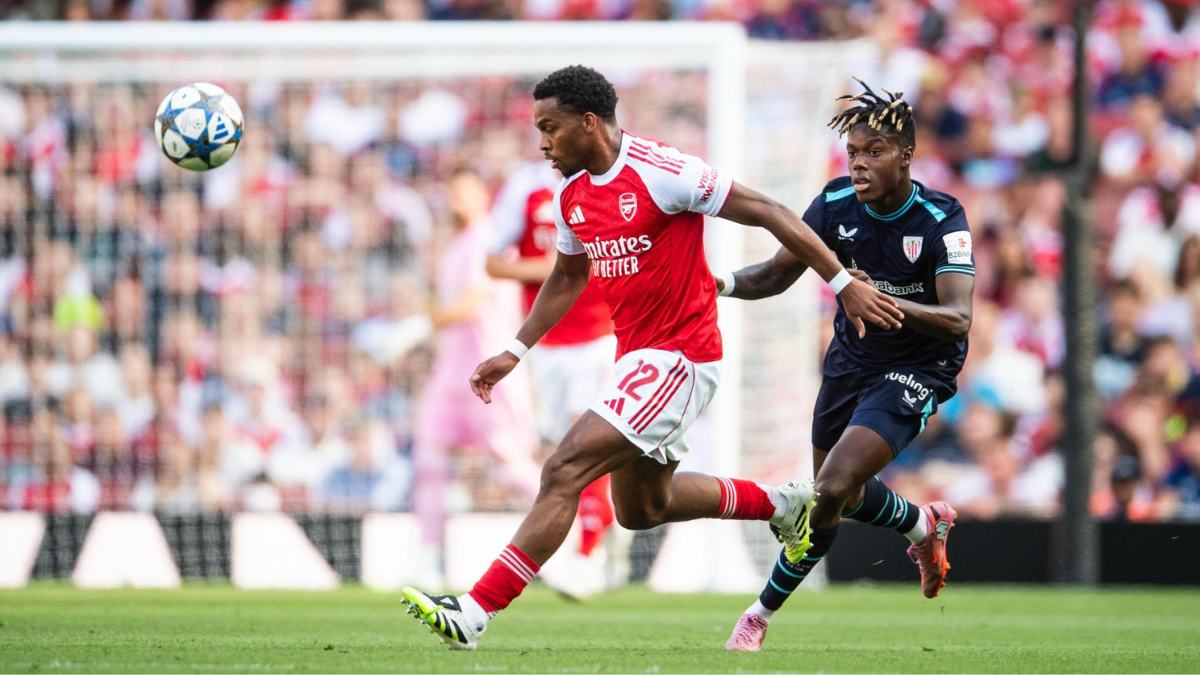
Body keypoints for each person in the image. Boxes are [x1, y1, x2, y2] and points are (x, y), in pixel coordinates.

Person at [401, 65, 902, 650]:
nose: (542, 143)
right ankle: (782, 503)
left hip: (682, 357)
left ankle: (474, 611)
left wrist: (840, 282)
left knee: (563, 468)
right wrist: (515, 350)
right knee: (642, 508)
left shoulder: (663, 170)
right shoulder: (570, 194)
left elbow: (769, 210)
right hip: (636, 358)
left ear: (589, 123)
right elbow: (568, 275)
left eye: (550, 127)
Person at [716, 78, 975, 652]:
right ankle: (923, 524)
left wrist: (877, 299)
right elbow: (773, 276)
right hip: (851, 360)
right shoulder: (833, 204)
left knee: (830, 489)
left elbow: (958, 318)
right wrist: (715, 284)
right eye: (853, 152)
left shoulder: (941, 217)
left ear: (906, 156)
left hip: (918, 367)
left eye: (874, 152)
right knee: (844, 495)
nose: (859, 164)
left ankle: (758, 616)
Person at [486, 161, 618, 600]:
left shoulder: (613, 180)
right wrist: (561, 268)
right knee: (566, 448)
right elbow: (493, 263)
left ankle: (588, 554)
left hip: (602, 335)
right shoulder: (525, 188)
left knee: (586, 440)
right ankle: (602, 530)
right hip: (546, 343)